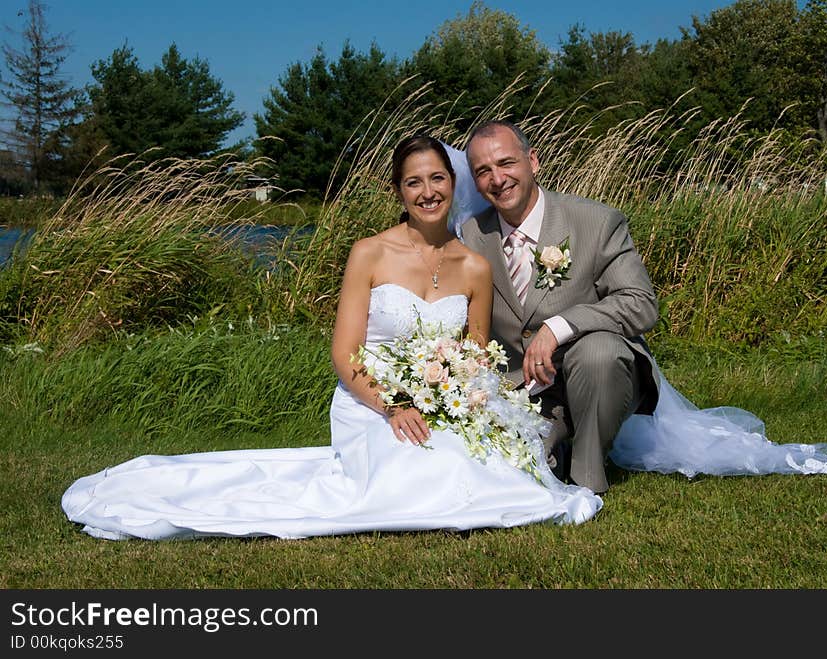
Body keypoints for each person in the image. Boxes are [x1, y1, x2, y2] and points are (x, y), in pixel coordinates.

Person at [60, 134, 603, 541]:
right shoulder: (369, 253)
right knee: (411, 474)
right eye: (413, 182)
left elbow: (476, 356)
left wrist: (462, 398)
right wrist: (393, 406)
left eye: (438, 178)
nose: (428, 191)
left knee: (474, 468)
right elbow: (344, 354)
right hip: (369, 402)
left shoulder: (474, 268)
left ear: (453, 185)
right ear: (398, 190)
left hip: (446, 400)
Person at [457, 120, 827, 492]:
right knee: (505, 470)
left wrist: (559, 326)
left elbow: (641, 303)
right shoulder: (471, 235)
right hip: (519, 384)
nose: (498, 178)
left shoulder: (596, 221)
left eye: (507, 162)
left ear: (533, 161)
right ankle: (555, 434)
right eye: (483, 171)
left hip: (595, 370)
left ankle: (587, 475)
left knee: (599, 352)